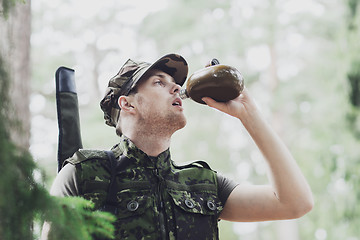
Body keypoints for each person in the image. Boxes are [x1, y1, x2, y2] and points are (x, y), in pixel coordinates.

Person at [41, 53, 313, 240]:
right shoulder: (85, 175)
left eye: (177, 84)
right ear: (128, 103)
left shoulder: (202, 184)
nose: (176, 89)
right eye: (160, 82)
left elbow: (295, 203)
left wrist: (248, 113)